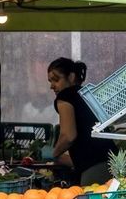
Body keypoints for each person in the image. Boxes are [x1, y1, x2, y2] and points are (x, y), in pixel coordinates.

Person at [48, 57, 114, 185]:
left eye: (56, 80)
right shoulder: (86, 95)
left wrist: (54, 153)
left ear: (71, 77)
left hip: (95, 168)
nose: (52, 86)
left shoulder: (65, 96)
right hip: (112, 160)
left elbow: (68, 136)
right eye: (50, 81)